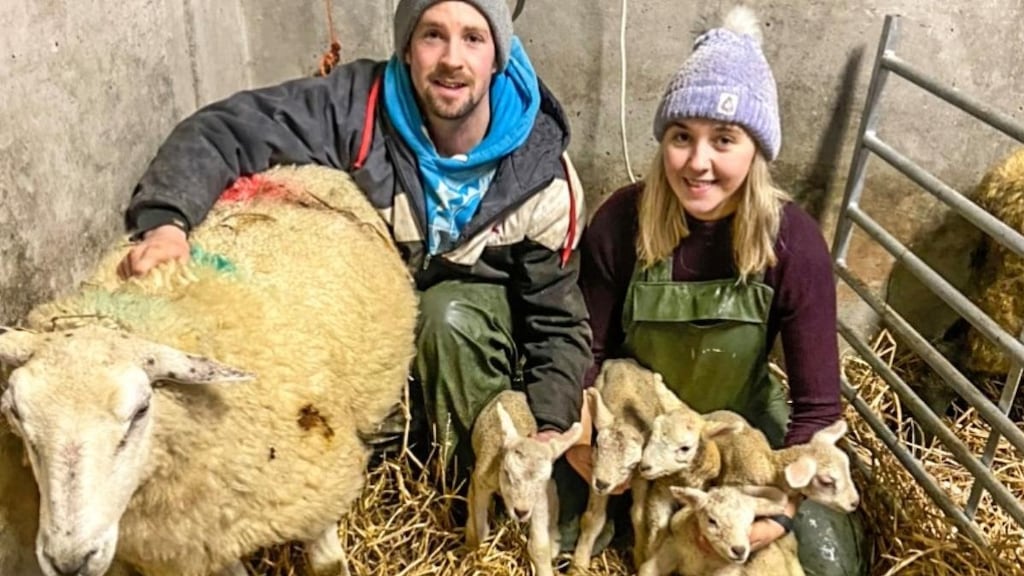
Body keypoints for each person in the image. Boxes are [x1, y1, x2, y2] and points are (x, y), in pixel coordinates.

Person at [118, 0, 590, 474]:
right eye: (432, 35)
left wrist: (550, 425)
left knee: (444, 315)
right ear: (406, 48)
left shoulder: (542, 179)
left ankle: (465, 488)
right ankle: (383, 459)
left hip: (471, 348)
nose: (452, 58)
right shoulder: (355, 109)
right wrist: (167, 225)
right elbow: (225, 130)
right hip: (381, 345)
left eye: (473, 38)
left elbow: (556, 320)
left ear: (498, 56)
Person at [575, 7, 867, 575]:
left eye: (724, 139)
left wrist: (776, 510)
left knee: (828, 560)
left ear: (756, 149)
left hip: (743, 439)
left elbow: (815, 409)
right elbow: (586, 353)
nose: (698, 163)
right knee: (567, 529)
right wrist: (592, 443)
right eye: (682, 137)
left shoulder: (794, 242)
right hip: (642, 434)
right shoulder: (621, 221)